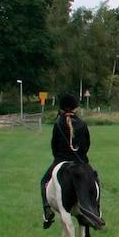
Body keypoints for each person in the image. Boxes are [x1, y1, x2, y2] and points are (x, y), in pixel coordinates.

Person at [40, 93, 91, 228]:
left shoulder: (58, 123)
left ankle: (47, 211)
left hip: (60, 160)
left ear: (62, 108)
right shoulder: (82, 124)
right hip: (79, 162)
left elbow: (54, 146)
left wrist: (60, 157)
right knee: (94, 181)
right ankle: (97, 211)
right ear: (76, 108)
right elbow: (86, 145)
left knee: (44, 181)